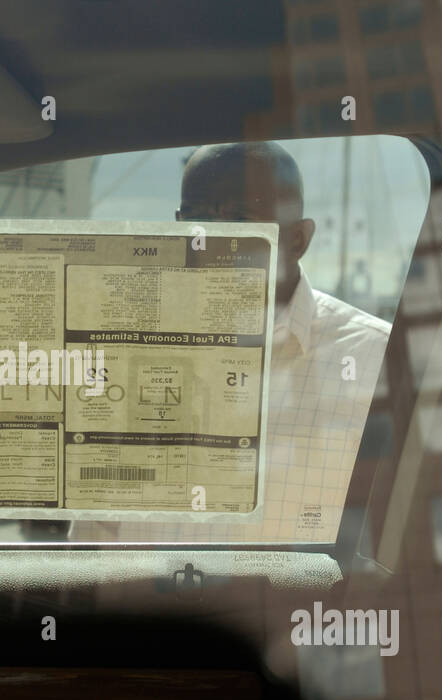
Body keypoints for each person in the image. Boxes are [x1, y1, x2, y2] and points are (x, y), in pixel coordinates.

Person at [72, 141, 391, 543]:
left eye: (239, 220)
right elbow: (94, 538)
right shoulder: (123, 353)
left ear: (298, 239)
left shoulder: (374, 359)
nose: (212, 241)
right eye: (198, 220)